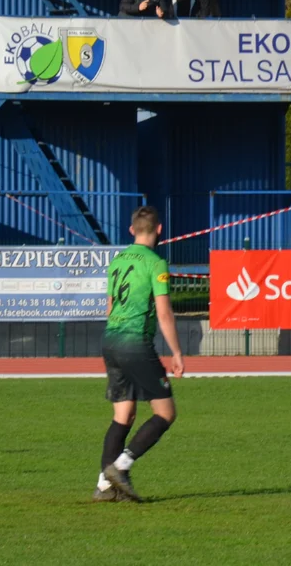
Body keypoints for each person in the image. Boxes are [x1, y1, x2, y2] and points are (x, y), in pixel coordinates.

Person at [95, 205, 184, 503]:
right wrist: (177, 353)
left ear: (131, 230)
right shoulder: (156, 263)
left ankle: (103, 487)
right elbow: (164, 313)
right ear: (159, 230)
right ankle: (120, 467)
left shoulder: (117, 261)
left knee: (123, 415)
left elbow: (108, 307)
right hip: (135, 342)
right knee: (166, 413)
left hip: (111, 340)